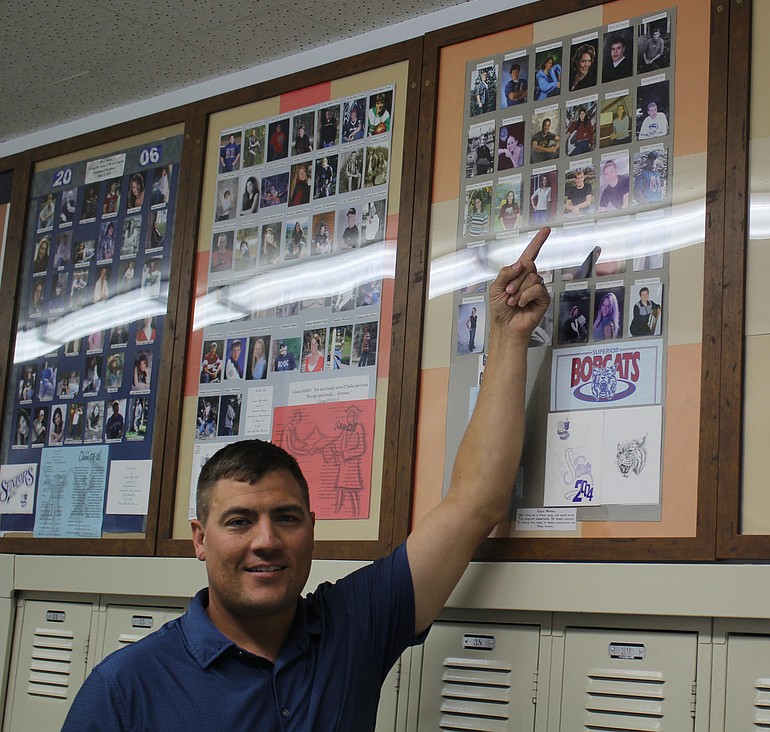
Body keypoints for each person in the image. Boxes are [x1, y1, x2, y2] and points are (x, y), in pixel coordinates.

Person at [64, 229, 550, 730]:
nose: (267, 540)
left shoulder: (352, 627)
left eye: (287, 517)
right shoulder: (125, 689)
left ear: (312, 529)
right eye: (239, 521)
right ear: (200, 539)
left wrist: (508, 335)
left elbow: (475, 503)